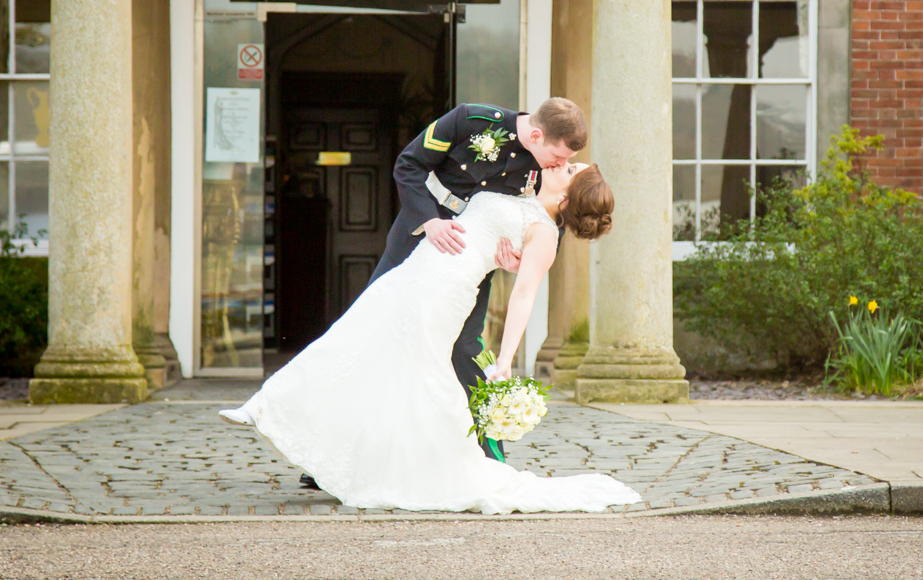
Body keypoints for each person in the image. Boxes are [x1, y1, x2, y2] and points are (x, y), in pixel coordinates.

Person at [219, 163, 638, 514]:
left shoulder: (544, 233)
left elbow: (525, 296)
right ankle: (269, 406)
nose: (558, 164)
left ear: (566, 198)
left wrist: (506, 360)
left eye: (568, 169)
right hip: (415, 272)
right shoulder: (523, 195)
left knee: (416, 376)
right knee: (348, 341)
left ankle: (281, 415)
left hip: (442, 291)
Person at [368, 97, 585, 463]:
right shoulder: (470, 120)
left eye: (566, 162)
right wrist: (430, 221)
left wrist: (524, 261)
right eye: (559, 157)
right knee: (376, 334)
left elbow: (552, 222)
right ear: (535, 134)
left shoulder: (545, 172)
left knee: (464, 348)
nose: (562, 165)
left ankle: (490, 450)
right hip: (417, 236)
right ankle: (340, 453)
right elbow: (409, 165)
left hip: (469, 263)